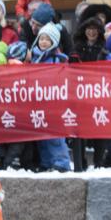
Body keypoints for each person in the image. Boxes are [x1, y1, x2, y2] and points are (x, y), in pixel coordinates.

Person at [29, 23, 71, 172]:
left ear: (54, 42)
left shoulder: (58, 59)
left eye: (48, 39)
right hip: (37, 102)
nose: (44, 42)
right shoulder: (33, 57)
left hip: (54, 103)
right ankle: (46, 162)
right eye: (41, 38)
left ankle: (61, 163)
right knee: (41, 135)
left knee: (55, 135)